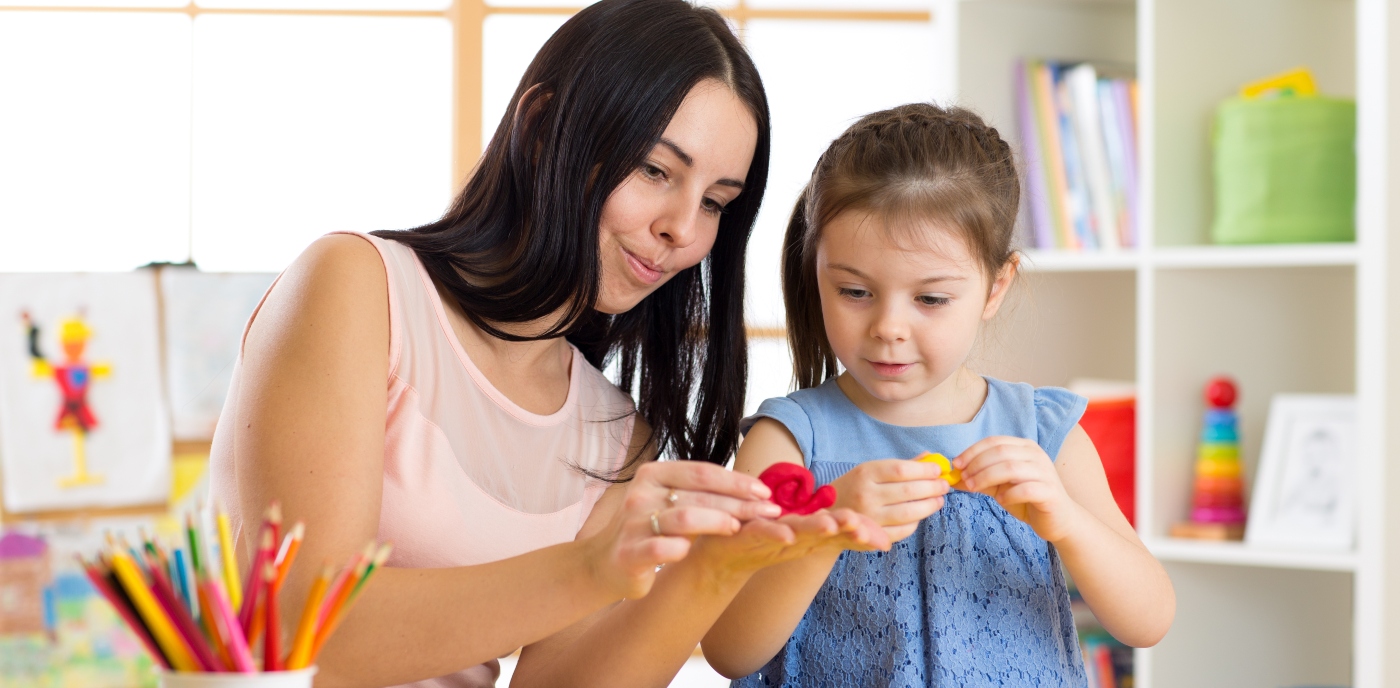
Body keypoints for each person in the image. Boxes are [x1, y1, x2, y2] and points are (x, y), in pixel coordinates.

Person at [208, 2, 884, 686]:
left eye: (715, 201)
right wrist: (592, 569)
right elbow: (302, 632)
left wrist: (709, 572)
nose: (683, 227)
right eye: (655, 170)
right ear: (539, 128)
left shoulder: (618, 440)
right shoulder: (358, 286)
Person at [701, 103, 1176, 686]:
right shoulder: (790, 444)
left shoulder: (1042, 434)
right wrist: (827, 526)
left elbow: (1149, 619)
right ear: (815, 272)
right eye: (854, 290)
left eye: (930, 299)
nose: (889, 327)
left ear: (995, 287)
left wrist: (1069, 522)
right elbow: (729, 647)